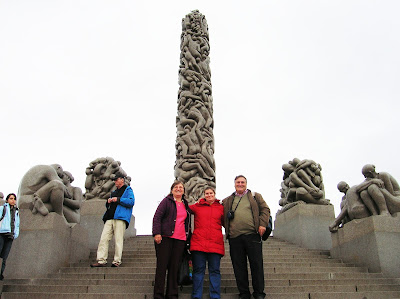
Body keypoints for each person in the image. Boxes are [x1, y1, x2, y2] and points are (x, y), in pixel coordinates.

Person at [223, 175, 270, 299]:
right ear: (234, 184)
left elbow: (265, 209)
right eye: (238, 182)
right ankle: (244, 293)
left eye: (242, 182)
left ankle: (259, 293)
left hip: (252, 235)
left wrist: (262, 224)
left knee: (256, 265)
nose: (240, 184)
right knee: (239, 267)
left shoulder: (255, 196)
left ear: (246, 184)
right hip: (235, 237)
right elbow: (221, 215)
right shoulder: (227, 200)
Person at [152, 181, 191, 299]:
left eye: (181, 187)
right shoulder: (166, 201)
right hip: (165, 238)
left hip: (180, 239)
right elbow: (157, 217)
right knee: (162, 267)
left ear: (184, 190)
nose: (178, 189)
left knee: (175, 268)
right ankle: (158, 294)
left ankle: (172, 294)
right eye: (176, 187)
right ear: (172, 189)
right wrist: (157, 233)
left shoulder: (185, 204)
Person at [90, 174, 135, 267]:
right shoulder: (113, 192)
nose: (115, 181)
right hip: (110, 217)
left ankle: (117, 261)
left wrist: (118, 199)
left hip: (120, 218)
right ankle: (101, 260)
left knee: (118, 240)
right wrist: (108, 202)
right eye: (114, 180)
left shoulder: (128, 190)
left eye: (116, 179)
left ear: (122, 180)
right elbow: (109, 206)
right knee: (104, 239)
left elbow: (131, 202)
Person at [189, 187, 224, 299]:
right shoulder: (197, 206)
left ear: (214, 194)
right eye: (207, 193)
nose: (209, 195)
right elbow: (184, 208)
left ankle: (215, 295)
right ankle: (196, 295)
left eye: (211, 193)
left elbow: (227, 222)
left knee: (215, 271)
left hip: (215, 244)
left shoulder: (221, 208)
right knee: (198, 271)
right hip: (199, 244)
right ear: (204, 195)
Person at [0, 193, 20, 280]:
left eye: (14, 199)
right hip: (2, 233)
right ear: (7, 200)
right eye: (11, 198)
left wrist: (16, 234)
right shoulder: (2, 208)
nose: (13, 200)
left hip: (10, 236)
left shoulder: (16, 212)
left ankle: (1, 273)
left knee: (4, 256)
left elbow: (17, 224)